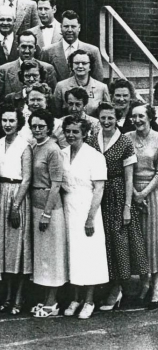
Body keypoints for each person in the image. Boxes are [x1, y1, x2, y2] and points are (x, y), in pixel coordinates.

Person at [87, 102, 148, 310]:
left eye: (110, 118)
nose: (106, 122)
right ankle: (102, 285)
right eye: (103, 118)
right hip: (97, 194)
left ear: (117, 119)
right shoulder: (91, 139)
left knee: (119, 242)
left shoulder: (124, 142)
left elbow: (129, 178)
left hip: (117, 194)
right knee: (100, 243)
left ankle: (118, 288)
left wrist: (127, 206)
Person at [61, 116, 109, 319]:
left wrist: (90, 218)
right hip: (66, 207)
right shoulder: (61, 154)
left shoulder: (94, 156)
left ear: (85, 133)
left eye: (75, 132)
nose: (71, 135)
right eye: (68, 131)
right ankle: (76, 297)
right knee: (72, 254)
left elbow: (99, 189)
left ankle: (89, 300)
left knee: (88, 254)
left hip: (87, 208)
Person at [28, 109, 67, 318]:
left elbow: (56, 183)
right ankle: (44, 299)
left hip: (49, 208)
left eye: (41, 126)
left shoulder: (53, 149)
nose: (37, 130)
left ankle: (52, 303)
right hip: (34, 205)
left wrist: (47, 213)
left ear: (49, 128)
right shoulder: (34, 146)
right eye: (34, 126)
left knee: (52, 256)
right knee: (41, 256)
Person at [0, 106, 32, 316]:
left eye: (11, 121)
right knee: (4, 248)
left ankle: (18, 296)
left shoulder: (25, 145)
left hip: (17, 194)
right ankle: (7, 295)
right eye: (4, 120)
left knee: (18, 248)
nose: (7, 124)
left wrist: (16, 205)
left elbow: (26, 178)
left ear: (18, 123)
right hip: (0, 192)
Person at [127, 103, 158, 308]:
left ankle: (156, 286)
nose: (137, 120)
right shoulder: (128, 138)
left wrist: (144, 194)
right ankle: (144, 281)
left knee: (153, 239)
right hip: (132, 191)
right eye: (134, 117)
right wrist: (134, 196)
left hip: (153, 193)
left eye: (141, 116)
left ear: (149, 117)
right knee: (139, 240)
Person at [40, 10, 104, 83]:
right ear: (60, 28)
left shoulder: (93, 51)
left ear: (79, 28)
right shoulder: (47, 52)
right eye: (66, 26)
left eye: (73, 27)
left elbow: (98, 82)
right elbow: (43, 81)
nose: (69, 30)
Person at [53, 49, 110, 117]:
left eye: (84, 63)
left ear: (90, 66)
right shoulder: (61, 86)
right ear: (72, 66)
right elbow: (56, 113)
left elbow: (107, 112)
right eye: (76, 63)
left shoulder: (102, 87)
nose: (80, 66)